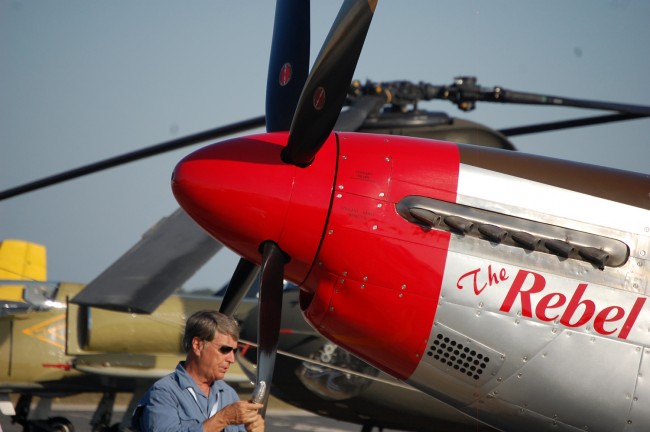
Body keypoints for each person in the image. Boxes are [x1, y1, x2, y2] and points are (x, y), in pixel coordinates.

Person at [133, 310, 265, 432]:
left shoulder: (228, 395)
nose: (231, 359)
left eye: (234, 351)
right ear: (197, 345)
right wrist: (222, 419)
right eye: (225, 350)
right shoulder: (164, 393)